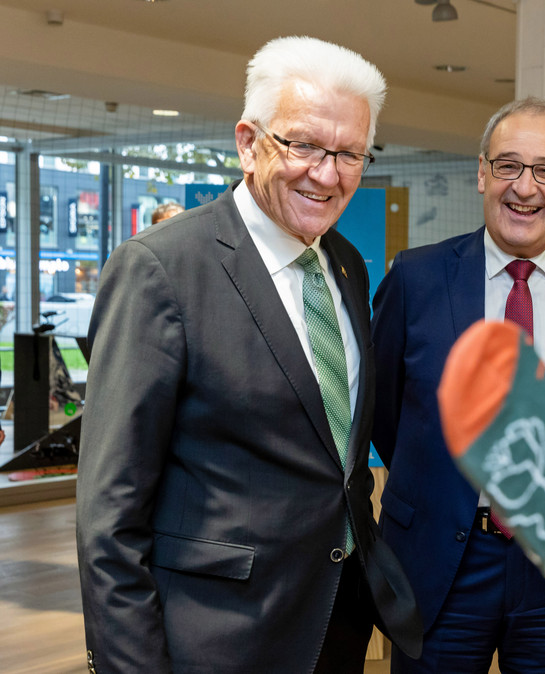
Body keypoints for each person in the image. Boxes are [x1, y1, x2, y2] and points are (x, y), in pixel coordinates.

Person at [75, 36, 420, 674]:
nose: (327, 173)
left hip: (333, 622)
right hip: (215, 637)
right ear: (247, 141)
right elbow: (109, 514)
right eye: (304, 144)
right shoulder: (162, 268)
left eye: (349, 153)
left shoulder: (344, 265)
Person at [371, 97, 545, 673]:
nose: (526, 187)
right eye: (508, 166)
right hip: (441, 561)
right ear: (481, 173)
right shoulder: (414, 279)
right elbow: (387, 415)